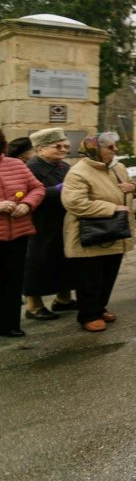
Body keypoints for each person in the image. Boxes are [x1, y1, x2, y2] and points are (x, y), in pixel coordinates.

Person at [62, 134, 136, 332]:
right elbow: (74, 202)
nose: (114, 150)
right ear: (95, 149)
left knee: (108, 273)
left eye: (115, 147)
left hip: (115, 231)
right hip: (90, 232)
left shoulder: (117, 167)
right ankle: (88, 315)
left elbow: (131, 186)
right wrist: (112, 208)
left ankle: (99, 307)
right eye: (109, 147)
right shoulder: (79, 172)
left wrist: (134, 187)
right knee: (90, 276)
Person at [22, 129, 75, 321]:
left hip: (62, 220)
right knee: (37, 263)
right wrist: (57, 190)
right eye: (57, 146)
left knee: (64, 260)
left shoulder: (64, 167)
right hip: (40, 223)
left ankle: (63, 299)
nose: (63, 150)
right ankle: (34, 306)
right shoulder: (30, 168)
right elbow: (30, 194)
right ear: (40, 149)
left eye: (65, 146)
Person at [0, 130, 45, 338]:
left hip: (18, 234)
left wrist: (27, 204)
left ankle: (10, 324)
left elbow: (37, 188)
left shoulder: (16, 164)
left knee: (14, 280)